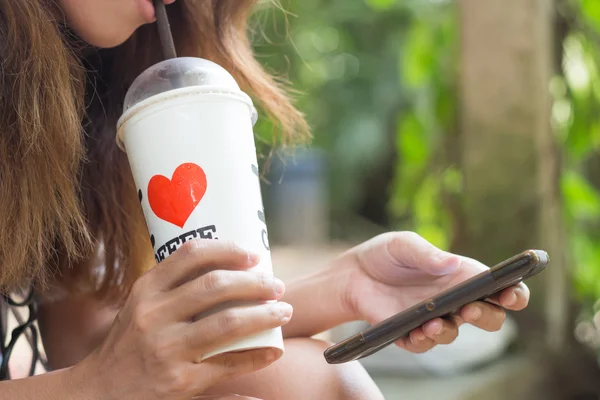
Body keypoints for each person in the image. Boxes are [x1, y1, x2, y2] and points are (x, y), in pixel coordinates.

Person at [0, 1, 531, 399]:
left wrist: (344, 288)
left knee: (321, 378)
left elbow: (95, 340)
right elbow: (100, 370)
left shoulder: (89, 78)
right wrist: (97, 386)